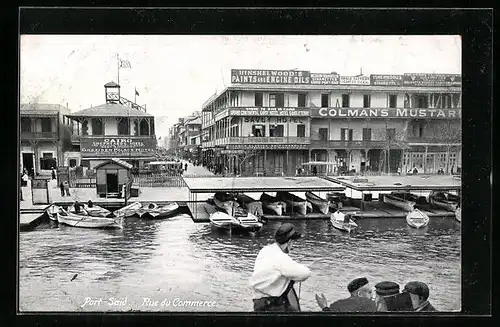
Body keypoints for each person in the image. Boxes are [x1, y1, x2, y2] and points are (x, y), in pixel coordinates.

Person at [249, 223, 311, 312]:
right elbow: (305, 273)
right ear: (289, 242)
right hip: (271, 305)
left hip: (258, 302)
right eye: (293, 242)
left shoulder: (265, 250)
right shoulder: (280, 257)